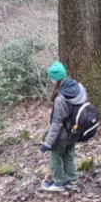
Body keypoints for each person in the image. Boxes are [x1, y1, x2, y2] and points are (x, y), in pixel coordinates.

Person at [39, 62, 88, 193]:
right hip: (75, 132)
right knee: (68, 156)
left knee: (55, 158)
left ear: (54, 78)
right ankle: (73, 181)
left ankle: (59, 183)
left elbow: (57, 123)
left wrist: (47, 144)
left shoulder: (60, 99)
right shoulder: (79, 89)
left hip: (62, 136)